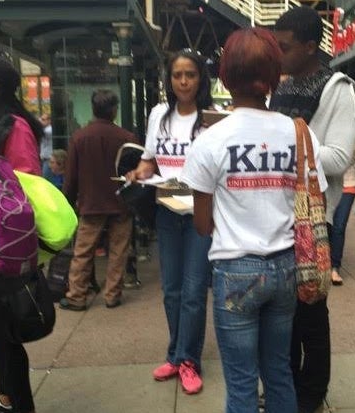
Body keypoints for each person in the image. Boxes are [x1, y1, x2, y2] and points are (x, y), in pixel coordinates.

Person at [181, 27, 327, 413]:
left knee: (242, 382)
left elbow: (202, 225)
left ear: (224, 76)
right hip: (287, 267)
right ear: (274, 74)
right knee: (278, 370)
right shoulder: (298, 132)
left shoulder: (210, 139)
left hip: (235, 271)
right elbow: (316, 197)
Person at [269, 7, 355, 412]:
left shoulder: (337, 88)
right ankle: (289, 388)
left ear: (310, 46)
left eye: (284, 47)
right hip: (278, 213)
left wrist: (283, 138)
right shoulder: (285, 86)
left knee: (311, 311)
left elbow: (339, 157)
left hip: (313, 216)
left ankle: (311, 395)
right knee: (285, 314)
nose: (278, 53)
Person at [126, 49, 213, 395]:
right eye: (177, 75)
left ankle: (189, 360)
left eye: (190, 74)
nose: (183, 81)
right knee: (172, 291)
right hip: (166, 209)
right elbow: (150, 162)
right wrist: (138, 172)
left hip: (199, 213)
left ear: (200, 78)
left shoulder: (210, 120)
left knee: (193, 291)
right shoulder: (159, 114)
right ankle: (175, 355)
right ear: (169, 79)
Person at [0, 54, 43, 413]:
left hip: (0, 249)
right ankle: (7, 398)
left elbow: (27, 188)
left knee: (3, 336)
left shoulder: (14, 127)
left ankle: (16, 402)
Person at [59, 89, 136, 311]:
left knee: (82, 252)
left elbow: (71, 175)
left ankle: (76, 296)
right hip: (121, 203)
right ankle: (112, 295)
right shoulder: (127, 138)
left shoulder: (79, 137)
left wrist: (69, 201)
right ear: (114, 110)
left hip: (91, 204)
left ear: (93, 109)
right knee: (118, 251)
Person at [330, 135, 355, 285]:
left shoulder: (354, 135)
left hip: (348, 184)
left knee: (339, 226)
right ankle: (322, 263)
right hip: (327, 186)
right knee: (325, 226)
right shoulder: (326, 130)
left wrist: (352, 152)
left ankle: (335, 267)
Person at [39, 112, 53, 178]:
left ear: (49, 120)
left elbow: (42, 133)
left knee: (45, 178)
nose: (41, 121)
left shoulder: (50, 129)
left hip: (49, 159)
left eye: (43, 119)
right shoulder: (46, 129)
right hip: (45, 159)